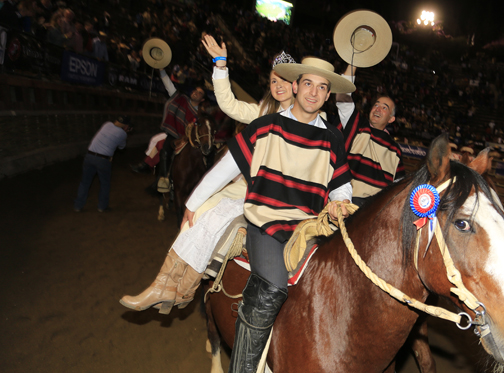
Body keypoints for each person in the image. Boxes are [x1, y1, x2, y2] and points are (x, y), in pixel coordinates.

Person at [121, 57, 355, 373]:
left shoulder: (332, 137)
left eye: (323, 86)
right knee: (271, 287)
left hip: (310, 227)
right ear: (296, 86)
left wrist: (341, 200)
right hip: (267, 224)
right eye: (309, 83)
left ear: (328, 95)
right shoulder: (265, 126)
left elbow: (341, 183)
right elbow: (226, 168)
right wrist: (194, 202)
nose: (314, 92)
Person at [334, 65, 405, 206]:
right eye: (376, 105)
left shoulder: (395, 151)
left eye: (384, 107)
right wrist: (354, 63)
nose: (377, 108)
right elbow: (343, 96)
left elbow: (399, 189)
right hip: (347, 203)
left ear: (391, 119)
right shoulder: (356, 125)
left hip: (375, 211)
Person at [155, 70, 207, 192]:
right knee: (165, 152)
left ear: (202, 99)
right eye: (195, 91)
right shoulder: (181, 99)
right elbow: (169, 85)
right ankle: (164, 179)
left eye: (200, 93)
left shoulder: (200, 114)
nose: (196, 93)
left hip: (190, 141)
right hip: (174, 135)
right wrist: (162, 70)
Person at [74, 116, 132, 212]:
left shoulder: (107, 124)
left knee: (85, 182)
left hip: (89, 156)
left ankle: (78, 206)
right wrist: (126, 132)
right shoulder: (123, 134)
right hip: (103, 160)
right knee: (104, 184)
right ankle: (102, 207)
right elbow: (122, 147)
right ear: (125, 126)